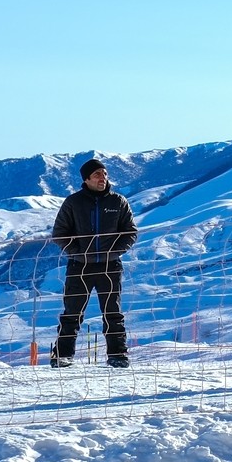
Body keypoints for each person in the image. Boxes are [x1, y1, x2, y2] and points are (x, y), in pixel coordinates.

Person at [51, 158, 138, 368]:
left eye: (105, 174)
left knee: (113, 313)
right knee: (72, 312)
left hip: (110, 266)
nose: (103, 178)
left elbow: (130, 232)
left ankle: (118, 355)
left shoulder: (118, 202)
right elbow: (59, 234)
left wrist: (114, 252)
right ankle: (62, 356)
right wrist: (78, 253)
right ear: (87, 179)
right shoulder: (73, 202)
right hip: (79, 267)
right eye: (98, 174)